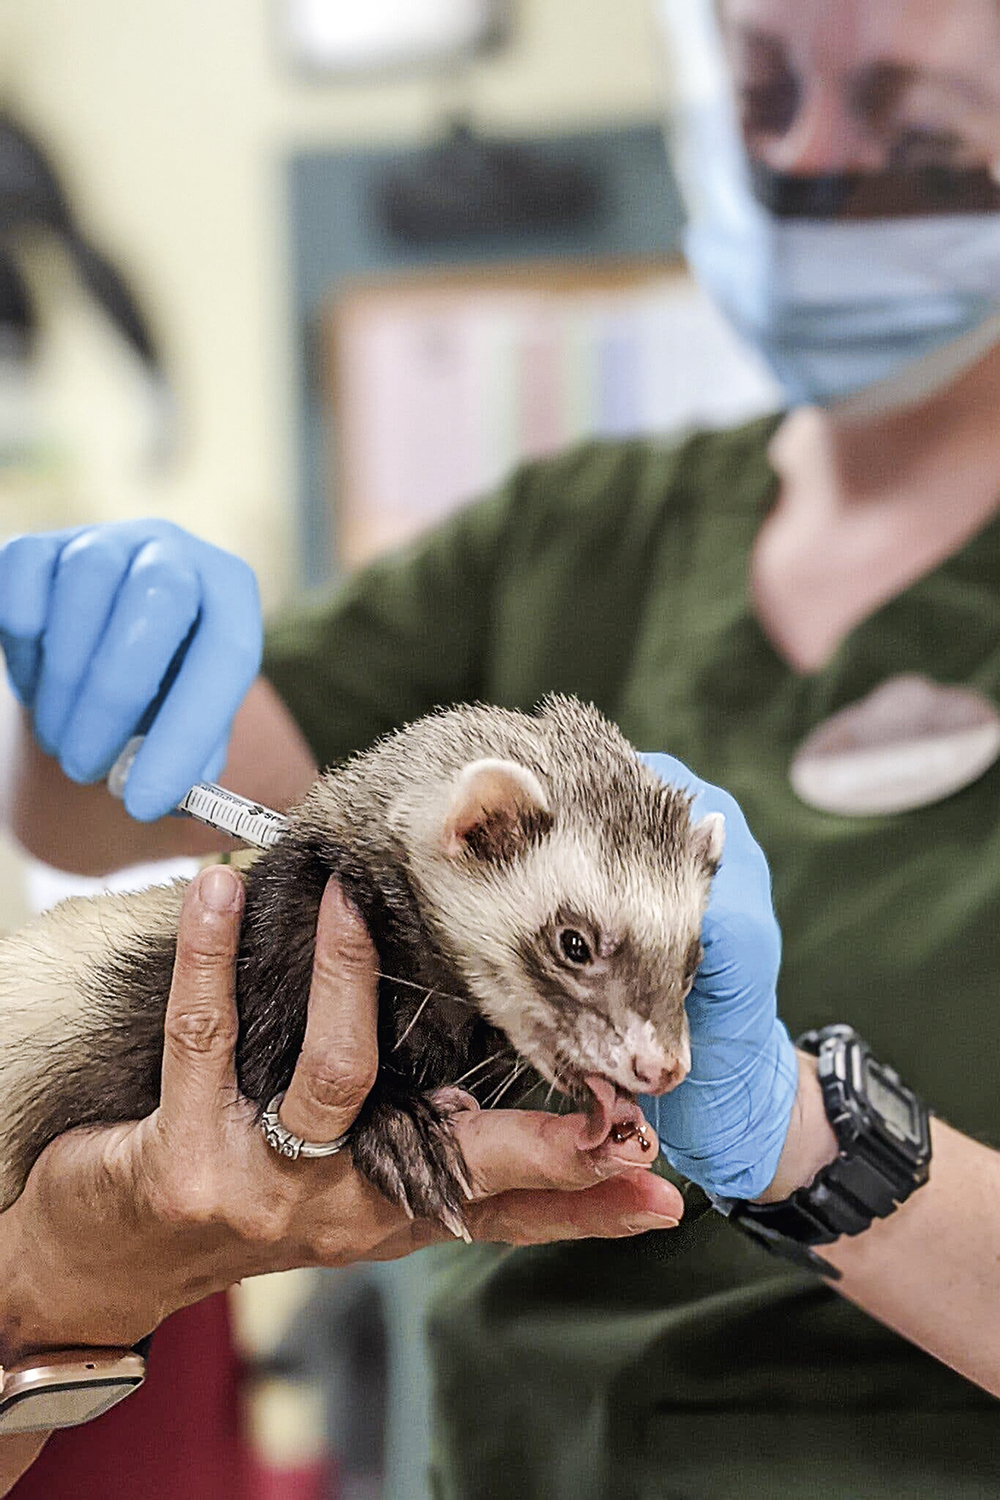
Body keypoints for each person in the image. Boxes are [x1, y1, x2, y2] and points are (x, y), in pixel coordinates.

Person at [1, 0, 999, 1493]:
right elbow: (163, 811)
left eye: (915, 128)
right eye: (765, 85)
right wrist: (90, 675)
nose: (805, 162)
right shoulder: (575, 528)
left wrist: (815, 1137)